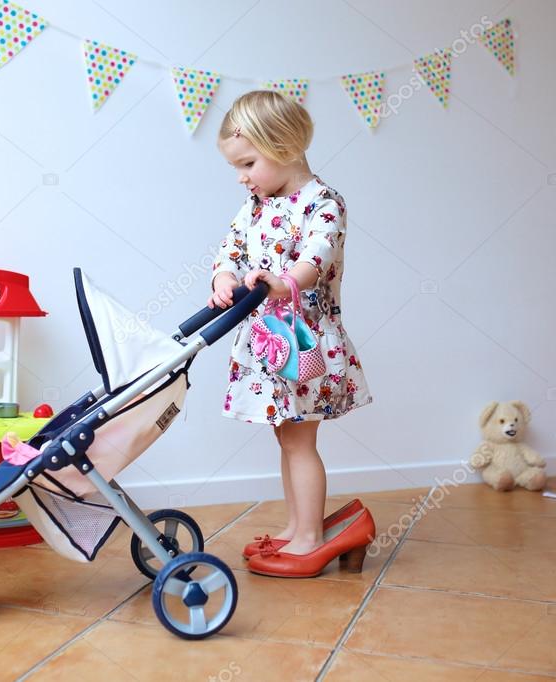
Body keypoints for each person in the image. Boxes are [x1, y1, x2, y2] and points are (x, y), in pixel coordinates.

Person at [209, 90, 374, 577]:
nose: (242, 177)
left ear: (282, 146)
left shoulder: (323, 202)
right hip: (268, 341)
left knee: (301, 442)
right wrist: (223, 277)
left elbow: (316, 256)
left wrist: (284, 283)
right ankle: (297, 524)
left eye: (248, 163)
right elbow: (232, 249)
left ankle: (309, 537)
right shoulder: (256, 203)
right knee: (287, 439)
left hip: (304, 342)